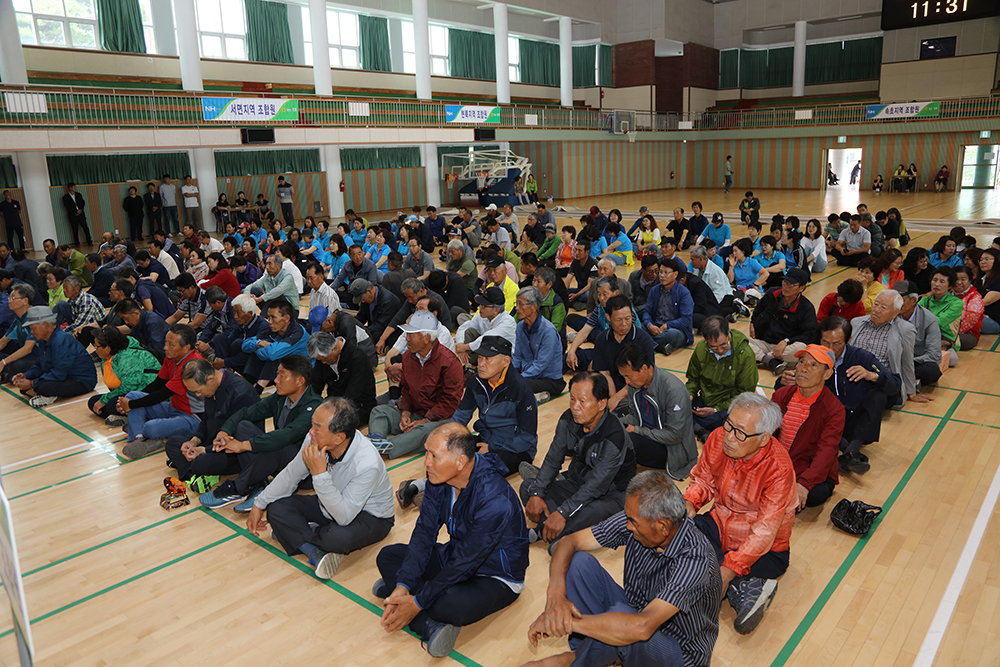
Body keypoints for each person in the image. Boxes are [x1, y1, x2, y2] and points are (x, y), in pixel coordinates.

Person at [523, 470, 722, 667]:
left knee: (628, 625)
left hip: (678, 651)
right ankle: (591, 654)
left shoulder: (696, 558)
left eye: (633, 522)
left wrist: (565, 623)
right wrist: (556, 597)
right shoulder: (642, 519)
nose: (627, 526)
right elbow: (569, 542)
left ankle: (573, 660)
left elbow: (642, 627)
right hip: (637, 614)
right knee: (579, 564)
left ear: (663, 526)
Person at [374, 423, 528, 658]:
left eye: (433, 455)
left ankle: (422, 614)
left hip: (495, 576)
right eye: (426, 452)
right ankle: (416, 606)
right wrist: (402, 585)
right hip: (457, 554)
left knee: (447, 603)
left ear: (460, 462)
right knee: (388, 556)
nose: (426, 462)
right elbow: (425, 533)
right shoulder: (438, 478)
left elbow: (466, 562)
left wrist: (417, 602)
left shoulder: (494, 499)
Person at [246, 395, 394, 579]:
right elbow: (291, 474)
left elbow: (344, 517)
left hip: (371, 516)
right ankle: (315, 551)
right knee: (276, 508)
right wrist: (259, 504)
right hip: (329, 503)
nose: (310, 431)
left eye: (317, 427)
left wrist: (319, 474)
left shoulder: (367, 463)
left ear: (339, 437)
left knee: (337, 538)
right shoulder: (314, 439)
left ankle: (299, 535)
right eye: (313, 424)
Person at [683, 392, 794, 635]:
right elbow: (703, 478)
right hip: (719, 526)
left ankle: (727, 579)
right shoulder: (718, 438)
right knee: (677, 530)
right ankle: (744, 590)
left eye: (740, 433)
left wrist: (728, 569)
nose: (729, 438)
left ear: (764, 439)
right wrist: (691, 501)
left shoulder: (779, 469)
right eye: (728, 425)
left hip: (763, 550)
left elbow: (764, 533)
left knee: (699, 569)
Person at [519, 371, 636, 550]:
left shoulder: (614, 436)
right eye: (572, 399)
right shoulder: (568, 420)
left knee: (594, 511)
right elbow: (552, 460)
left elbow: (597, 485)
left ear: (601, 403)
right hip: (576, 483)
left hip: (611, 494)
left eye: (582, 401)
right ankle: (564, 531)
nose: (575, 406)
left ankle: (548, 531)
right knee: (528, 488)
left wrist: (563, 512)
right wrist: (537, 493)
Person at [198, 355, 324, 510]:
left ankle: (237, 488)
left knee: (277, 445)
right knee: (243, 426)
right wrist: (224, 431)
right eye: (277, 374)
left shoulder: (315, 406)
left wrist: (244, 445)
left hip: (304, 472)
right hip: (280, 463)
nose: (276, 380)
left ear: (300, 381)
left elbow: (286, 435)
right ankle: (258, 485)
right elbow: (245, 413)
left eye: (281, 376)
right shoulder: (279, 398)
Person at [438, 335, 538, 477]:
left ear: (505, 361)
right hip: (486, 440)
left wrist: (491, 448)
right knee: (445, 455)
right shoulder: (476, 383)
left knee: (477, 471)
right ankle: (420, 487)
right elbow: (461, 416)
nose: (481, 364)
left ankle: (426, 489)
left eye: (488, 359)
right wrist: (448, 439)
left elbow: (527, 438)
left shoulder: (521, 390)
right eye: (479, 358)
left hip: (515, 449)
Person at [368, 311, 464, 459]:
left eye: (411, 335)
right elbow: (406, 388)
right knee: (379, 411)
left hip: (440, 418)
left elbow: (450, 402)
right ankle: (376, 439)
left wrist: (426, 420)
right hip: (417, 412)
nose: (407, 339)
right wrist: (406, 413)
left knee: (424, 431)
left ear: (426, 338)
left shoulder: (449, 362)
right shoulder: (408, 357)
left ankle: (388, 446)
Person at [771, 344, 845, 508]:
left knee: (815, 494)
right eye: (802, 362)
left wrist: (804, 483)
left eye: (813, 365)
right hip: (778, 465)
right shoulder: (781, 395)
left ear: (827, 374)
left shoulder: (834, 409)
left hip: (807, 470)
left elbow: (827, 450)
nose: (804, 369)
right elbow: (765, 435)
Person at [163, 358, 261, 480]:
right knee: (173, 443)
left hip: (234, 451)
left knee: (202, 462)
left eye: (198, 391)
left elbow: (238, 437)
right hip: (212, 442)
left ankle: (191, 469)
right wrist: (194, 441)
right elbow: (206, 419)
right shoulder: (211, 388)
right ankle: (193, 474)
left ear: (210, 379)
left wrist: (204, 450)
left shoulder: (241, 393)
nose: (198, 395)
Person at [118, 324, 204, 458]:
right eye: (166, 342)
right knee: (133, 395)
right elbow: (157, 384)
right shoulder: (170, 358)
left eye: (171, 345)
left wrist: (129, 405)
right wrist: (129, 401)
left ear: (186, 347)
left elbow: (163, 394)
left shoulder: (193, 366)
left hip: (191, 418)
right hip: (173, 407)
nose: (165, 347)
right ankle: (139, 438)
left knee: (150, 427)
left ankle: (142, 430)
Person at [615, 343, 698, 478]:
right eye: (624, 377)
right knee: (611, 426)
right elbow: (636, 417)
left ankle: (620, 481)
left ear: (643, 369)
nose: (626, 381)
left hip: (672, 451)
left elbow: (675, 436)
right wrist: (614, 422)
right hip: (649, 438)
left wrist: (637, 430)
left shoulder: (673, 390)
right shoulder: (634, 385)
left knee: (628, 439)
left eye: (629, 376)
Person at [685, 315, 758, 441]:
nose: (719, 350)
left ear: (729, 334)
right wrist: (689, 394)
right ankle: (702, 430)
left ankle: (696, 427)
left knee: (734, 420)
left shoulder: (745, 355)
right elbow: (693, 378)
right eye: (713, 347)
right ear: (706, 341)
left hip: (728, 406)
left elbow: (744, 394)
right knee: (678, 407)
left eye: (724, 345)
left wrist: (715, 409)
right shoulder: (701, 349)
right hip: (704, 400)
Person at [10, 306, 97, 408]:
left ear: (46, 325)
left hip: (80, 381)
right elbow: (39, 366)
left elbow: (59, 373)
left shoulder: (61, 340)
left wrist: (32, 384)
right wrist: (26, 376)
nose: (31, 332)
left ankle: (49, 394)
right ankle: (50, 394)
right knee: (25, 388)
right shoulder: (44, 340)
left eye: (33, 328)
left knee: (42, 387)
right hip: (65, 377)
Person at [851, 289, 918, 407]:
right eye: (876, 304)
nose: (877, 310)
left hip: (880, 381)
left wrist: (910, 392)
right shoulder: (856, 323)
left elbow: (907, 362)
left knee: (875, 399)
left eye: (883, 308)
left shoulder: (905, 330)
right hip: (853, 376)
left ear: (895, 312)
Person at [591, 295, 657, 412]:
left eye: (627, 318)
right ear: (608, 317)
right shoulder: (602, 339)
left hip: (637, 388)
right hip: (611, 389)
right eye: (619, 320)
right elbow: (605, 373)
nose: (624, 324)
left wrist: (617, 398)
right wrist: (612, 398)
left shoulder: (643, 339)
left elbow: (644, 376)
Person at [748, 268, 817, 374]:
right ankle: (771, 360)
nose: (786, 286)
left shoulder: (806, 307)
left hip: (786, 347)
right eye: (785, 282)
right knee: (738, 341)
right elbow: (759, 308)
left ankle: (762, 358)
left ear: (802, 288)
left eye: (792, 284)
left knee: (801, 348)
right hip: (764, 342)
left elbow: (810, 335)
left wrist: (786, 341)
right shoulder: (772, 293)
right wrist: (752, 323)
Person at [87, 325, 160, 422]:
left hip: (146, 393)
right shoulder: (109, 358)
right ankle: (126, 414)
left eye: (96, 346)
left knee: (112, 403)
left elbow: (130, 386)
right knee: (93, 401)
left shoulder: (127, 357)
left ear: (108, 348)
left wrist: (104, 400)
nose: (95, 349)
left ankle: (133, 415)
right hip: (130, 392)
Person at [307, 332, 377, 424]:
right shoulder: (323, 358)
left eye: (324, 359)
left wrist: (331, 412)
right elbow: (315, 385)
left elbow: (353, 394)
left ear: (334, 349)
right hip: (333, 403)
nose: (323, 362)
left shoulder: (357, 356)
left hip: (358, 406)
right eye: (320, 360)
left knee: (330, 426)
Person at [513, 286, 566, 402]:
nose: (517, 308)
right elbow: (517, 356)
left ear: (534, 307)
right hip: (528, 375)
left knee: (515, 385)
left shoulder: (548, 331)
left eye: (521, 304)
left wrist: (519, 378)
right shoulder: (520, 327)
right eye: (516, 303)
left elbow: (540, 364)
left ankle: (531, 395)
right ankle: (533, 394)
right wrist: (510, 372)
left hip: (549, 379)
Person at [241, 298, 309, 388]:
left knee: (275, 357)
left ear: (286, 318)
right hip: (284, 367)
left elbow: (272, 354)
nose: (269, 321)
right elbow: (245, 345)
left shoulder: (297, 334)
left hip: (303, 370)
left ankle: (256, 391)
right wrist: (258, 344)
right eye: (268, 317)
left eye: (273, 317)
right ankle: (247, 386)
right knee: (255, 352)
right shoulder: (274, 329)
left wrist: (257, 350)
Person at [895, 280, 943, 389]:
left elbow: (934, 354)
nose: (896, 303)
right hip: (893, 358)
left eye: (900, 300)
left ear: (913, 301)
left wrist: (908, 362)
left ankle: (900, 378)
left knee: (932, 370)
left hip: (916, 360)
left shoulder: (929, 320)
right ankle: (907, 379)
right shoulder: (890, 314)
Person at [454, 286, 516, 367]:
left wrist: (464, 347)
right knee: (469, 332)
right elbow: (463, 327)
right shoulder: (482, 316)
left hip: (503, 357)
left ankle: (472, 366)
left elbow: (486, 338)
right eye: (480, 304)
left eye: (484, 306)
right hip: (485, 351)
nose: (480, 307)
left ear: (496, 310)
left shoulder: (508, 322)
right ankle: (467, 363)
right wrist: (460, 344)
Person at [642, 258, 694, 356]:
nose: (662, 275)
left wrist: (667, 326)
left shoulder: (684, 293)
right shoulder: (654, 290)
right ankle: (657, 346)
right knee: (637, 327)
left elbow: (686, 319)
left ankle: (646, 341)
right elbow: (647, 311)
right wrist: (650, 325)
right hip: (656, 326)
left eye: (666, 272)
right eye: (660, 272)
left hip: (675, 330)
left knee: (672, 335)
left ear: (675, 274)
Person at [920, 267, 963, 363]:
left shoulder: (956, 303)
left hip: (944, 338)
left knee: (952, 360)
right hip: (924, 336)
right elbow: (914, 317)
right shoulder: (925, 300)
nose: (937, 284)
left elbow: (938, 322)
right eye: (935, 280)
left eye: (942, 281)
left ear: (950, 286)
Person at [0, 284, 39, 382]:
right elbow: (3, 342)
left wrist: (3, 362)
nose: (9, 301)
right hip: (27, 359)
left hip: (41, 359)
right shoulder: (18, 318)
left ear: (25, 301)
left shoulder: (35, 317)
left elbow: (27, 349)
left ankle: (7, 376)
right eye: (9, 298)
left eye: (13, 298)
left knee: (16, 364)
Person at [61, 182, 94, 247]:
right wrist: (75, 212)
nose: (75, 188)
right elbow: (67, 206)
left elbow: (83, 202)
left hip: (81, 214)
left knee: (85, 228)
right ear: (70, 188)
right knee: (75, 229)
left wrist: (80, 209)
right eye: (74, 187)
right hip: (73, 215)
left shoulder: (78, 195)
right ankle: (77, 243)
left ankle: (89, 241)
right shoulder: (66, 197)